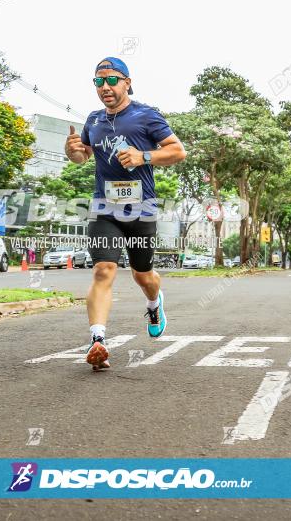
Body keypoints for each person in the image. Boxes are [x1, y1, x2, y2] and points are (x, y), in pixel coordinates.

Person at [64, 56, 186, 371]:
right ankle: (97, 340)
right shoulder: (93, 120)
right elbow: (83, 156)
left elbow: (177, 151)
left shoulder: (146, 116)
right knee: (104, 269)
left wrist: (143, 155)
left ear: (127, 82)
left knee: (142, 275)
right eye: (98, 81)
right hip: (104, 207)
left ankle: (154, 304)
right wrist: (73, 152)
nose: (105, 87)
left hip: (141, 208)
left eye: (111, 80)